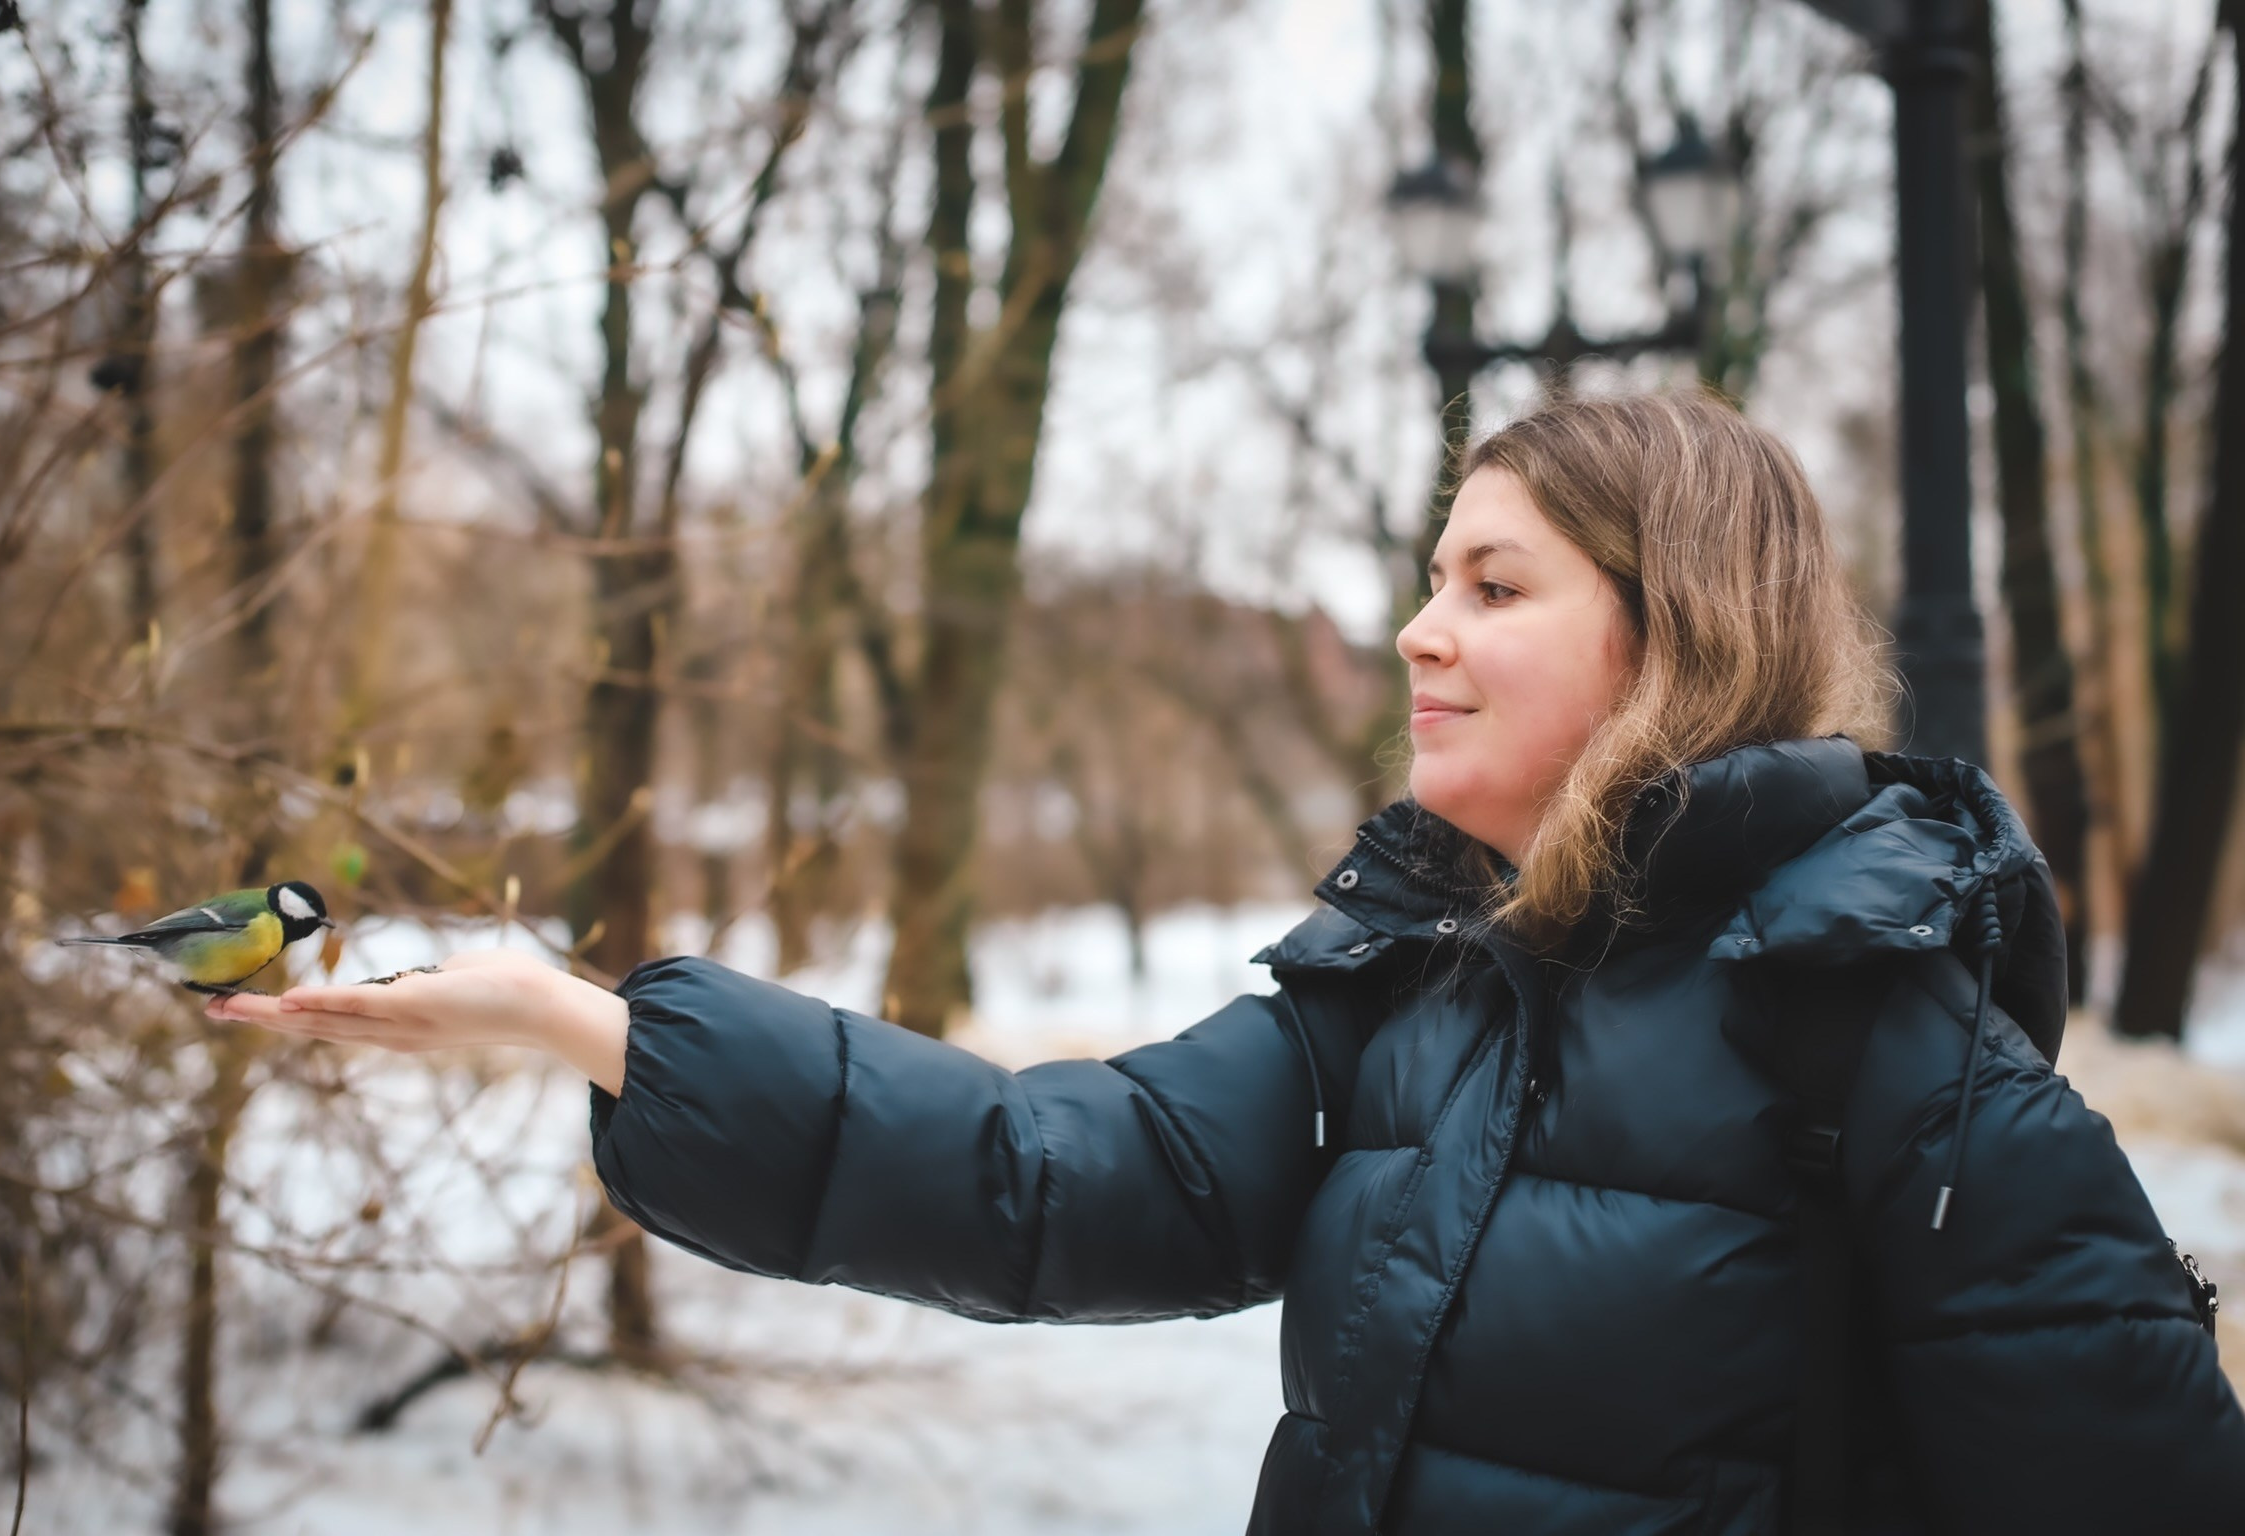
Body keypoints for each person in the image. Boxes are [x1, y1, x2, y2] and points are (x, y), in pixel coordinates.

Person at [212, 390, 2245, 1534]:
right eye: (1426, 580)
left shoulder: (1885, 1043)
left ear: (1672, 633)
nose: (1415, 635)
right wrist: (578, 1018)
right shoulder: (1419, 989)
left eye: (1491, 583)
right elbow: (1043, 1176)